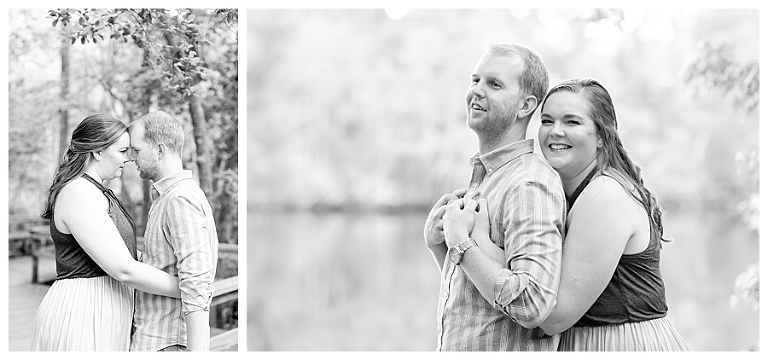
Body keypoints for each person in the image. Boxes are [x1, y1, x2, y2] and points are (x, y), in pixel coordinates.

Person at [453, 79, 688, 351]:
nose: (556, 132)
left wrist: (473, 240)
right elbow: (532, 282)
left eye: (572, 122)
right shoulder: (562, 193)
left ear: (602, 136)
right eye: (548, 121)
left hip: (620, 345)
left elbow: (553, 316)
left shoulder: (604, 195)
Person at [423, 42, 567, 351]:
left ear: (525, 106)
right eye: (475, 80)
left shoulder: (529, 184)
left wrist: (461, 243)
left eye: (494, 84)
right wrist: (440, 245)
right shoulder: (488, 179)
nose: (476, 90)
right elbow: (480, 302)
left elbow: (531, 302)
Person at [31, 114, 181, 351]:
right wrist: (188, 288)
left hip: (104, 313)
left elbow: (128, 256)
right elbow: (124, 268)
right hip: (83, 314)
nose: (129, 158)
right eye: (122, 151)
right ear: (98, 151)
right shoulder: (78, 192)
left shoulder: (94, 192)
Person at [129, 111, 219, 352]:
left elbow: (197, 283)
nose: (130, 158)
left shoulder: (179, 199)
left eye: (136, 150)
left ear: (159, 150)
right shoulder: (166, 198)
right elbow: (163, 263)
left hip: (166, 344)